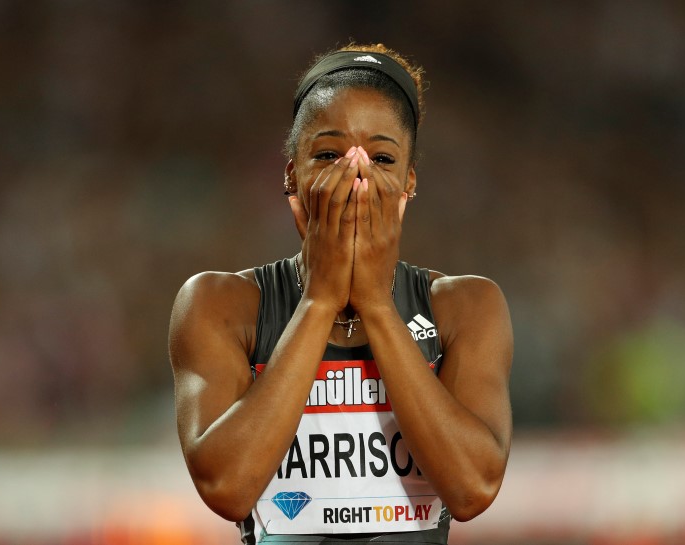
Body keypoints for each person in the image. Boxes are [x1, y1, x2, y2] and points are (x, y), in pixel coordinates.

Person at [168, 43, 513, 544]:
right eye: (328, 155)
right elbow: (227, 488)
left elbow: (472, 489)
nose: (356, 179)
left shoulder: (465, 306)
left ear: (408, 182)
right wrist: (319, 300)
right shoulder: (219, 304)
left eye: (382, 158)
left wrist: (375, 302)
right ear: (292, 173)